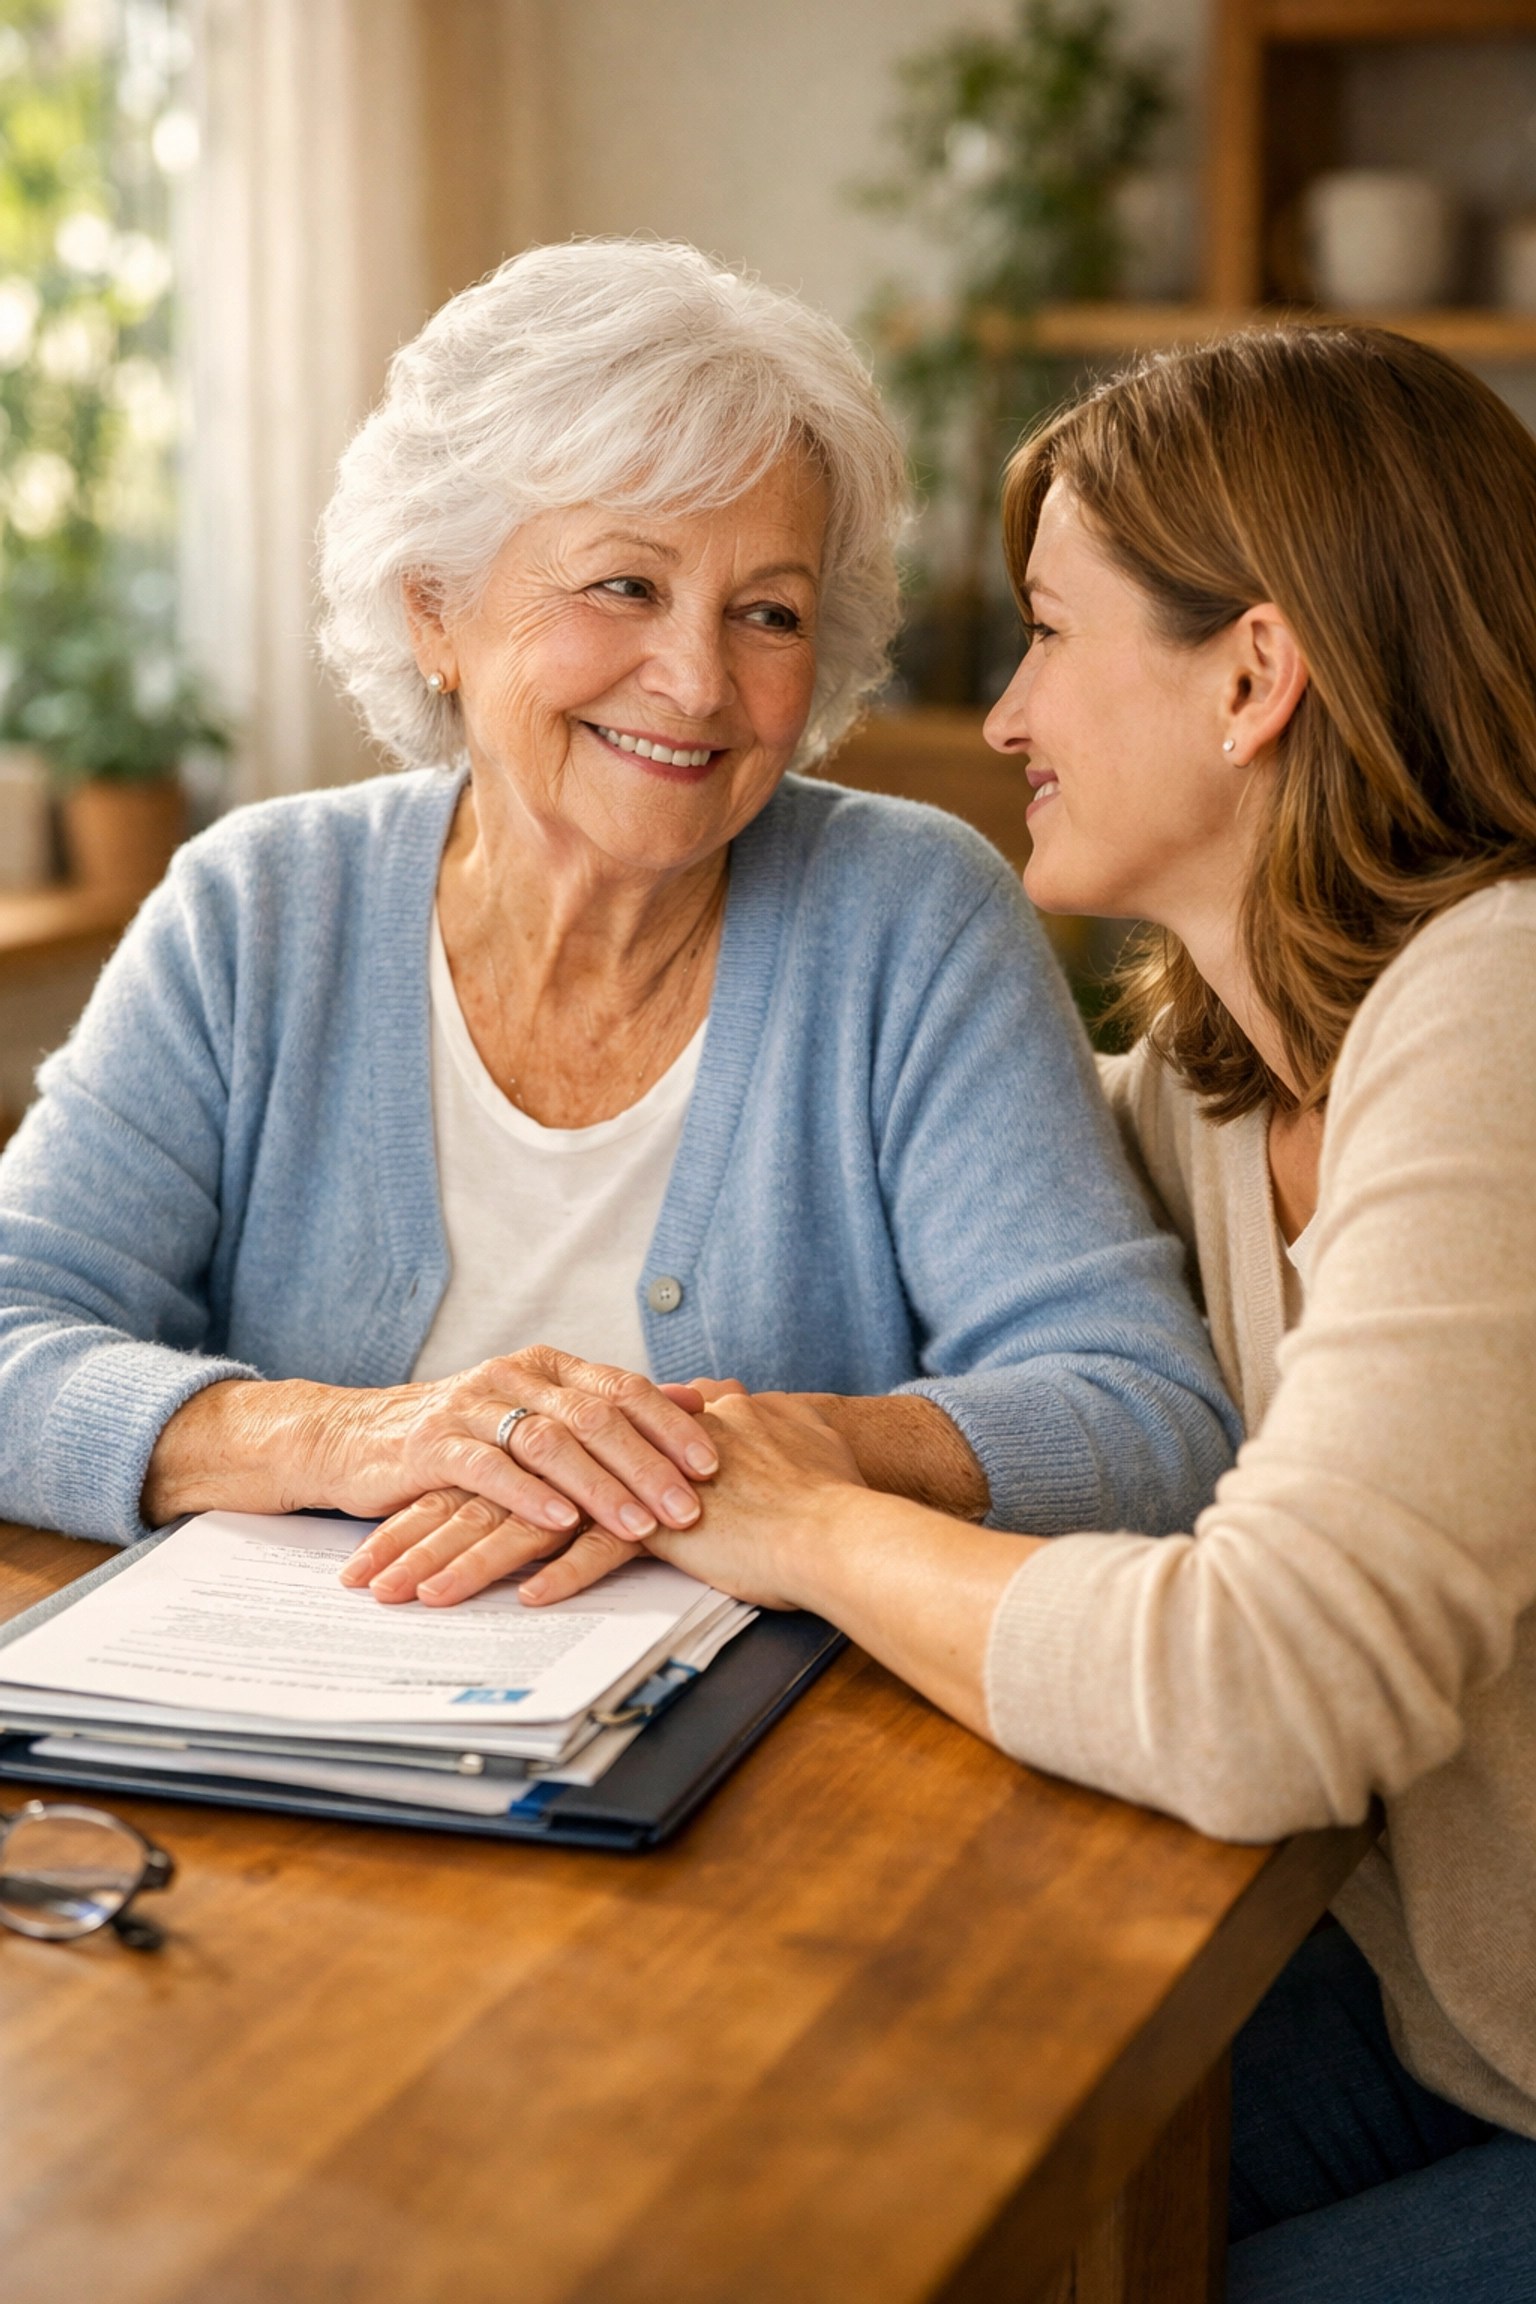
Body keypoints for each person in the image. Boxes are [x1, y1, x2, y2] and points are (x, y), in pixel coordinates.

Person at [637, 327, 1536, 2301]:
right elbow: (961, 1320)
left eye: (1050, 633)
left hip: (1505, 2059)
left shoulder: (1504, 1006)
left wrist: (797, 1520)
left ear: (1254, 675)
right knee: (879, 2196)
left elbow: (1264, 1688)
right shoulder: (1214, 1081)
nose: (1012, 707)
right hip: (1446, 2004)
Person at [0, 238, 1235, 1602]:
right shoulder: (256, 911)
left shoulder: (910, 919)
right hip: (293, 1740)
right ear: (436, 610)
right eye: (624, 586)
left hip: (774, 1760)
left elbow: (1145, 1416)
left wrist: (768, 1450)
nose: (698, 679)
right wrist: (341, 1435)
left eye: (768, 612)